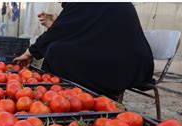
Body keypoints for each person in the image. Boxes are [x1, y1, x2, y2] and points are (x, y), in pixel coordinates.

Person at [14, 3, 154, 99]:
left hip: (118, 67)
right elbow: (89, 33)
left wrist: (29, 52)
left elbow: (60, 33)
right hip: (137, 66)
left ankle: (63, 96)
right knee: (61, 48)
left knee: (56, 51)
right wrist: (59, 23)